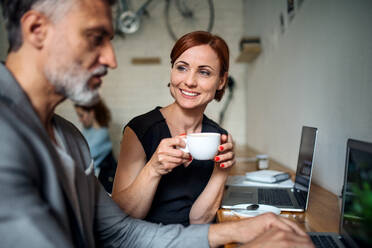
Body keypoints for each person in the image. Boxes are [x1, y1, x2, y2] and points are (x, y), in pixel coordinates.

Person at [0, 0, 314, 247]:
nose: (112, 59)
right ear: (37, 29)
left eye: (204, 72)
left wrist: (242, 230)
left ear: (221, 82)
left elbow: (122, 234)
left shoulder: (70, 138)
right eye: (96, 38)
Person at [112, 31, 235, 226]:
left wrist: (222, 171)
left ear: (221, 81)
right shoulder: (140, 129)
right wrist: (153, 169)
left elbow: (198, 220)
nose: (189, 81)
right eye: (182, 68)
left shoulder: (219, 138)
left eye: (204, 72)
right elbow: (122, 215)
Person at [75, 100, 117, 193]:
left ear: (92, 113)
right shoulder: (87, 130)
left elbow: (81, 155)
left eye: (81, 115)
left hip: (102, 183)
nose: (80, 119)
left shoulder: (102, 133)